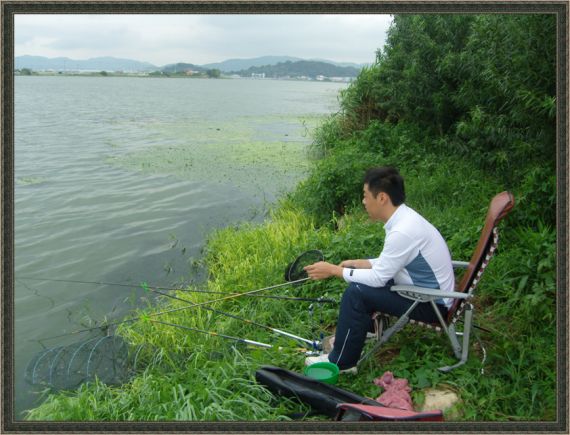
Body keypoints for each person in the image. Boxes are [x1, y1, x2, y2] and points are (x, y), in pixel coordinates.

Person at [303, 166, 455, 374]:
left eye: (365, 196)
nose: (364, 202)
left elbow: (378, 278)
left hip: (432, 304)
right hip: (423, 291)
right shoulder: (404, 218)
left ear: (381, 197)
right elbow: (393, 261)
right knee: (360, 283)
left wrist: (333, 270)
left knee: (356, 293)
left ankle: (341, 363)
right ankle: (359, 334)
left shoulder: (403, 230)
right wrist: (362, 262)